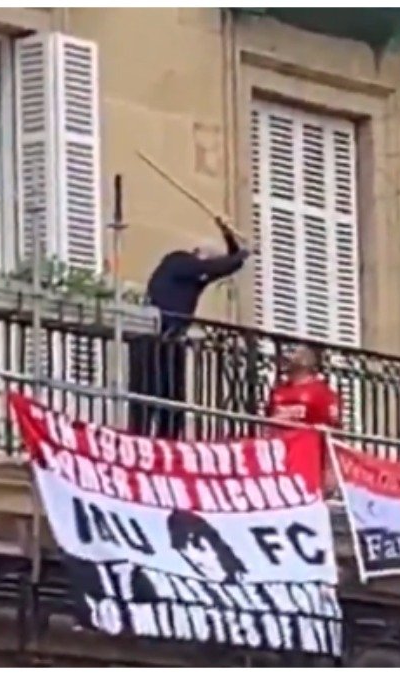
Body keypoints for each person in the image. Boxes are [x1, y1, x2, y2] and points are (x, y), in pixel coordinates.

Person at [128, 217, 248, 438]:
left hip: (172, 340)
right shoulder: (179, 262)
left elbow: (229, 265)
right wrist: (244, 253)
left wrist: (228, 235)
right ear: (199, 254)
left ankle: (169, 438)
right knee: (148, 396)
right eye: (211, 260)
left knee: (173, 400)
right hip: (154, 339)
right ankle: (141, 437)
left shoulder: (196, 275)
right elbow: (219, 265)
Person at [265, 343, 341, 494]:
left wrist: (331, 469)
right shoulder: (279, 391)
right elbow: (269, 422)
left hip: (308, 459)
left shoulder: (322, 392)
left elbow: (332, 432)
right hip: (279, 454)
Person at [167, 509, 248, 584]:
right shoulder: (178, 519)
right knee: (217, 545)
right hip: (199, 527)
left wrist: (194, 540)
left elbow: (183, 532)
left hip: (199, 527)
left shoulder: (177, 519)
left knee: (218, 546)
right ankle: (235, 568)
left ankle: (233, 569)